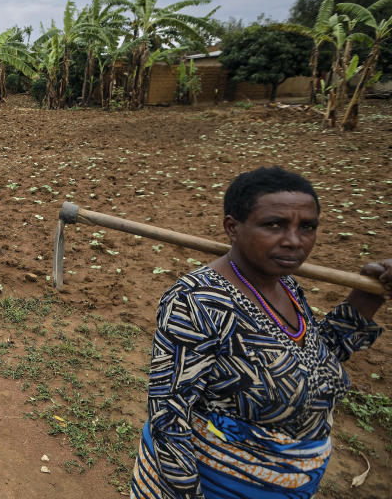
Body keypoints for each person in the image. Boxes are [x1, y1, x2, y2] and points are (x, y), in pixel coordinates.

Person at [131, 166, 391, 499]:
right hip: (220, 484)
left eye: (306, 227)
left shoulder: (285, 286)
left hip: (292, 481)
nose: (294, 241)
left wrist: (366, 297)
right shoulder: (198, 302)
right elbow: (169, 419)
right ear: (232, 228)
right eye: (274, 225)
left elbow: (312, 359)